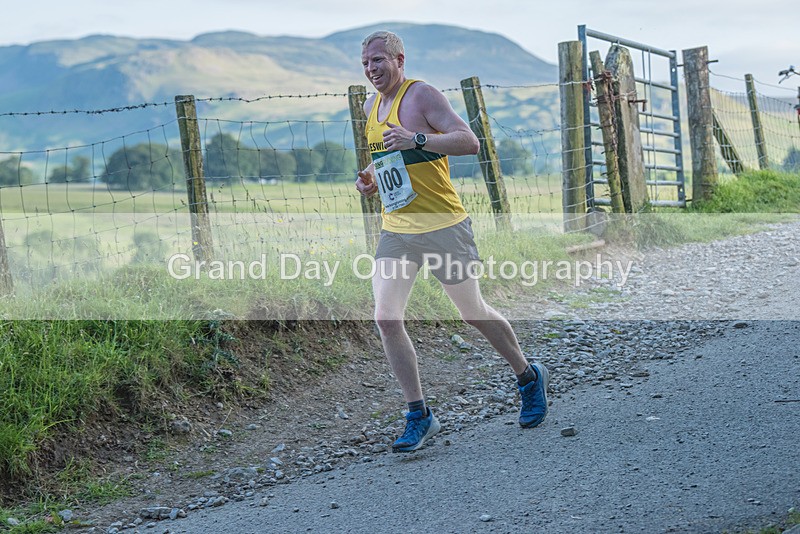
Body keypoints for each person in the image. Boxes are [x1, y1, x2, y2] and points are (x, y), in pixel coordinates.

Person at [355, 30, 549, 452]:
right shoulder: (371, 105)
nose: (372, 69)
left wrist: (418, 138)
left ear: (399, 59)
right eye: (366, 63)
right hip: (398, 229)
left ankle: (527, 376)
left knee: (472, 312)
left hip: (443, 225)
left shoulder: (422, 96)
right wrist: (370, 178)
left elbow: (468, 141)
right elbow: (386, 155)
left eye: (378, 61)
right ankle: (418, 414)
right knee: (386, 318)